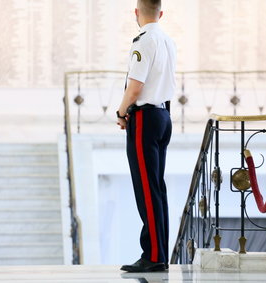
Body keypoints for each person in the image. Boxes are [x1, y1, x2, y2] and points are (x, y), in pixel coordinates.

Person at [117, 0, 176, 273]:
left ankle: (152, 255)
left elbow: (135, 87)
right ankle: (159, 253)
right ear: (160, 13)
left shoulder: (143, 41)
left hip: (145, 119)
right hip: (164, 116)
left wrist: (121, 112)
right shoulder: (167, 40)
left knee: (146, 190)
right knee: (157, 188)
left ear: (137, 13)